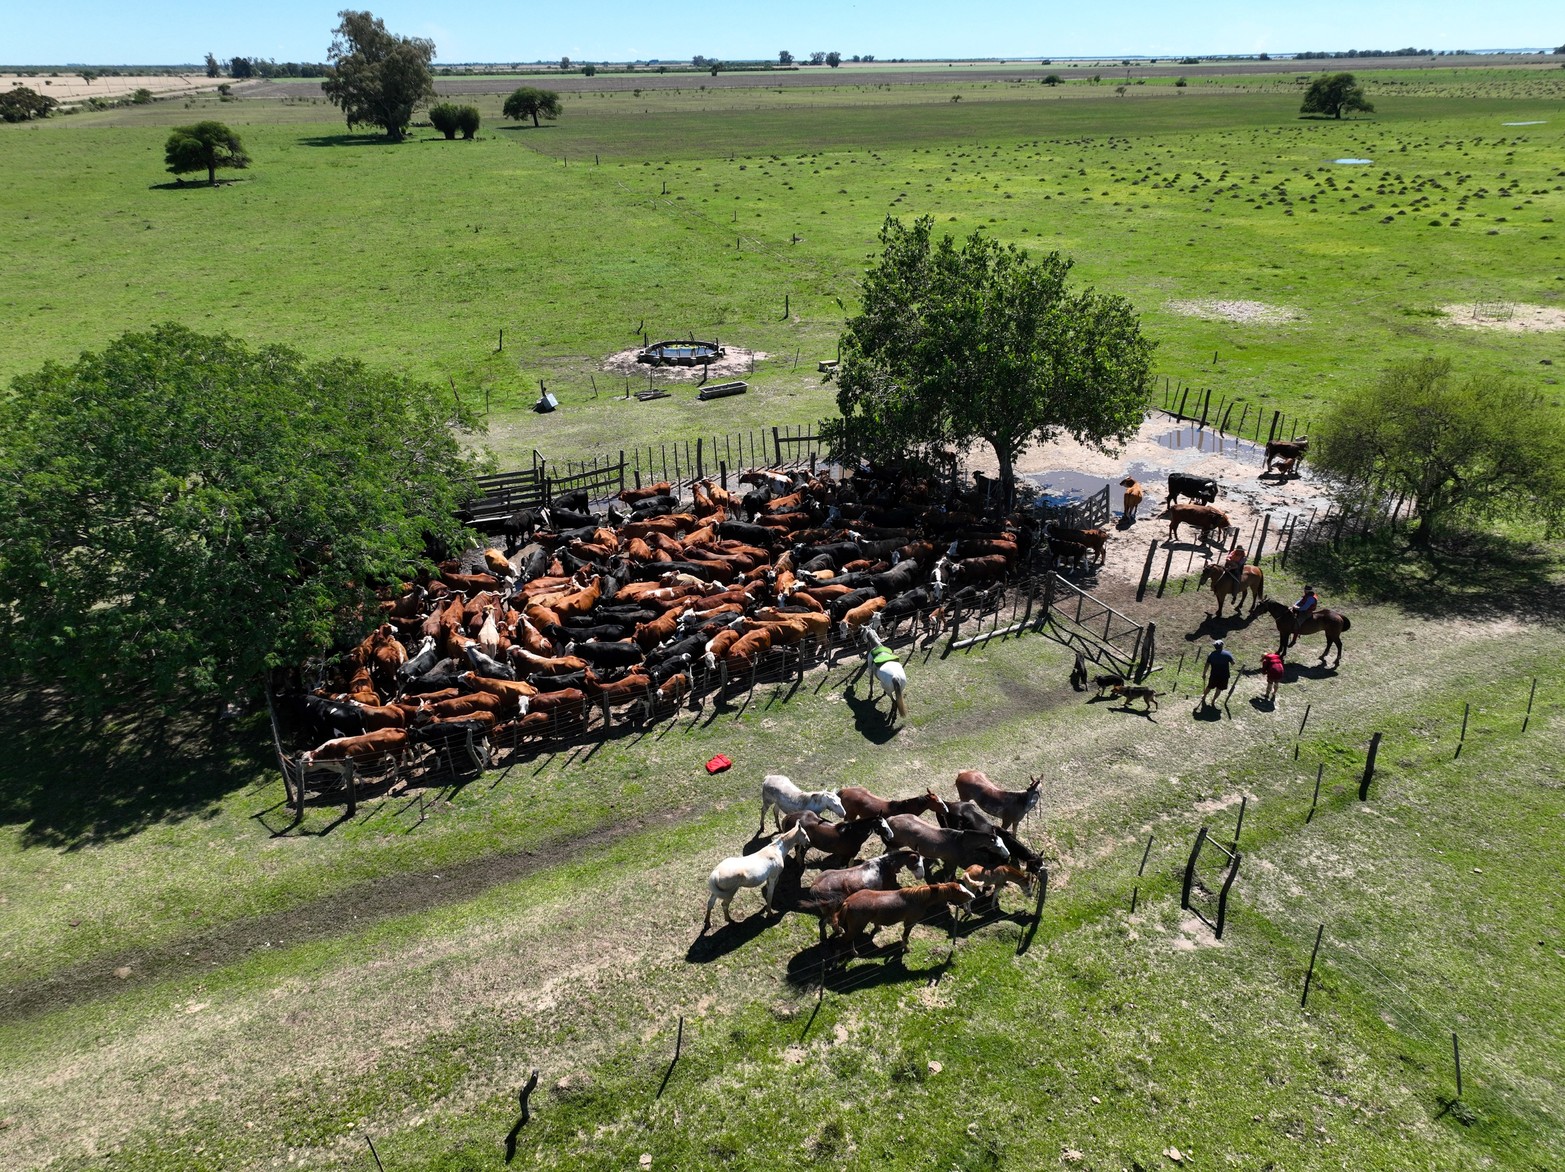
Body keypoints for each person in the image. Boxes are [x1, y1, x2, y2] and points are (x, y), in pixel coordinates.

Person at [1202, 638, 1235, 709]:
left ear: (1214, 646)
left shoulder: (1211, 655)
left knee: (1209, 686)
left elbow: (1207, 665)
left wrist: (1204, 673)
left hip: (1214, 675)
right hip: (1224, 676)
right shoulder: (1227, 654)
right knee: (1219, 689)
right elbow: (1233, 663)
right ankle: (1213, 700)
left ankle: (1204, 696)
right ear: (1222, 646)